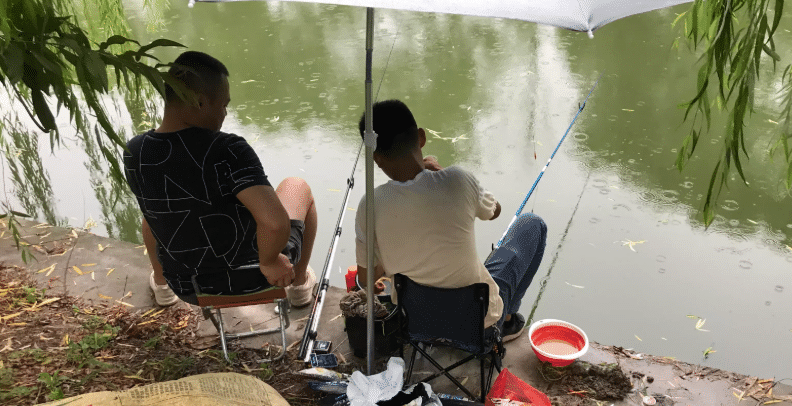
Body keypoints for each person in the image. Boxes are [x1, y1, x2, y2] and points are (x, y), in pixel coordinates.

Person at [123, 50, 318, 307]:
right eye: (223, 105)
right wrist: (270, 262)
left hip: (185, 285)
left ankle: (161, 286)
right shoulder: (227, 150)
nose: (225, 114)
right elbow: (274, 223)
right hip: (255, 279)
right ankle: (298, 283)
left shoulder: (135, 151)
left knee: (152, 216)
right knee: (296, 186)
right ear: (200, 102)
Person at [354, 99, 546, 341]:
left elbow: (366, 279)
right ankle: (505, 321)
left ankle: (497, 320)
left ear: (376, 159)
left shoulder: (369, 204)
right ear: (421, 138)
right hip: (477, 324)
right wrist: (440, 170)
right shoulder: (458, 180)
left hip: (415, 324)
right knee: (531, 224)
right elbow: (495, 210)